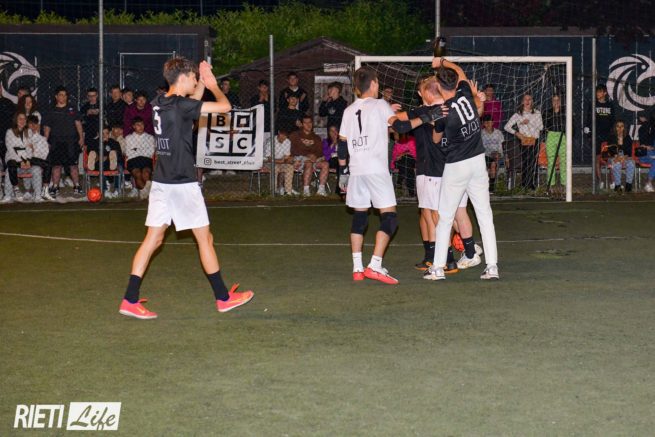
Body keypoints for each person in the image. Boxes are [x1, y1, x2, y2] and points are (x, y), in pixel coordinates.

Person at [118, 57, 253, 319]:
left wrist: (200, 80)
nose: (194, 82)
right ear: (182, 78)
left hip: (161, 182)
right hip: (182, 184)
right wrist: (212, 85)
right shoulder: (181, 105)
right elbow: (224, 107)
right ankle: (223, 298)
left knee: (153, 239)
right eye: (192, 78)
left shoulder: (159, 102)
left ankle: (130, 299)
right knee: (205, 239)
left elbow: (190, 105)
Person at [338, 67, 445, 285]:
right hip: (376, 170)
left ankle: (357, 268)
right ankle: (375, 265)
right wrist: (427, 116)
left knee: (359, 218)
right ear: (374, 84)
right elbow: (402, 127)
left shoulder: (349, 110)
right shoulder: (380, 105)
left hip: (356, 170)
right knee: (389, 218)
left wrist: (342, 173)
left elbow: (341, 145)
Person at [425, 57, 499, 281]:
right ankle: (492, 267)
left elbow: (436, 139)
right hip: (477, 161)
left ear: (439, 87)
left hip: (457, 165)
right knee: (484, 214)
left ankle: (438, 268)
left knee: (446, 217)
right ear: (457, 83)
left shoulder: (443, 112)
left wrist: (433, 122)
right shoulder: (466, 93)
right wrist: (443, 61)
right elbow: (460, 72)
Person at [42, 86, 84, 197]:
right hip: (56, 141)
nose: (63, 97)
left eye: (65, 95)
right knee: (56, 165)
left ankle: (77, 186)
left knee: (73, 165)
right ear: (56, 96)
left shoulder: (72, 108)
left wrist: (81, 137)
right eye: (61, 95)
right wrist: (45, 141)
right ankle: (55, 187)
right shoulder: (51, 110)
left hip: (71, 141)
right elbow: (47, 127)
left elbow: (78, 123)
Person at [504, 93, 543, 190]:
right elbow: (506, 127)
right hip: (524, 140)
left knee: (533, 162)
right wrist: (517, 133)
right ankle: (524, 184)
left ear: (532, 101)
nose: (527, 101)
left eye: (529, 99)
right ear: (522, 102)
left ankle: (532, 184)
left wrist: (529, 122)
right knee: (525, 162)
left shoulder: (537, 113)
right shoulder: (518, 114)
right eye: (525, 99)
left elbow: (541, 127)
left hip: (534, 140)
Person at [1, 113, 43, 203]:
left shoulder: (29, 132)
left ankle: (38, 195)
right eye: (20, 118)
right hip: (14, 161)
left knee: (37, 169)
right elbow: (11, 149)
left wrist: (27, 160)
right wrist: (22, 160)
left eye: (24, 119)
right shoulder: (9, 132)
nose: (22, 121)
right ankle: (8, 195)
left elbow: (30, 149)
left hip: (27, 162)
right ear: (16, 120)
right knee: (9, 170)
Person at [290, 115, 329, 196]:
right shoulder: (295, 135)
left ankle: (321, 189)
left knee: (325, 164)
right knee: (308, 163)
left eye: (310, 122)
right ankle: (306, 190)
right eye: (305, 123)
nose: (308, 125)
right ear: (301, 124)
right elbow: (292, 149)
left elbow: (320, 151)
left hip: (313, 159)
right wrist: (307, 155)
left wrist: (315, 156)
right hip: (299, 159)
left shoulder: (316, 137)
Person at [124, 117, 155, 199]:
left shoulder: (150, 137)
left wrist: (136, 149)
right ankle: (148, 193)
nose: (140, 127)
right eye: (138, 125)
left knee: (146, 173)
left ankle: (144, 193)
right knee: (137, 174)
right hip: (133, 159)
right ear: (134, 126)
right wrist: (142, 149)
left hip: (146, 159)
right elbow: (128, 152)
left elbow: (151, 151)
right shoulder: (128, 138)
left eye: (142, 124)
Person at [594, 84, 617, 188]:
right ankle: (600, 182)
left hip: (608, 136)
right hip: (597, 135)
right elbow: (589, 119)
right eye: (597, 92)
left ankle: (613, 181)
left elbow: (613, 120)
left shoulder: (610, 105)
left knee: (611, 158)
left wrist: (612, 134)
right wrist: (588, 131)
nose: (597, 94)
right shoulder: (593, 104)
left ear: (605, 93)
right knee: (597, 158)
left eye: (599, 92)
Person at [543, 94, 566, 191]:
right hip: (551, 135)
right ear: (551, 102)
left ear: (560, 102)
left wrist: (568, 135)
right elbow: (543, 126)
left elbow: (572, 125)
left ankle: (564, 184)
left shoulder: (565, 112)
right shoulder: (547, 112)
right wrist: (546, 131)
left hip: (562, 135)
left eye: (558, 100)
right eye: (554, 100)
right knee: (551, 161)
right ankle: (550, 184)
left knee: (564, 160)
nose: (556, 102)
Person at [26, 115, 53, 201]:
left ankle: (45, 190)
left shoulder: (41, 138)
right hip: (24, 159)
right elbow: (25, 149)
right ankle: (45, 190)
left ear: (38, 124)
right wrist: (32, 149)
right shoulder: (25, 134)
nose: (33, 126)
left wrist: (33, 149)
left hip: (34, 159)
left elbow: (43, 154)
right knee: (48, 164)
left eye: (35, 123)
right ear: (27, 124)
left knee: (48, 163)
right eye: (30, 123)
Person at [263, 130, 296, 195]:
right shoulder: (270, 141)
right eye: (282, 134)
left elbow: (286, 157)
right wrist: (280, 161)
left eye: (285, 135)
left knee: (290, 167)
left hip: (281, 162)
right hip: (268, 162)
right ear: (279, 132)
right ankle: (273, 191)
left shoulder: (287, 141)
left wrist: (286, 160)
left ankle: (288, 192)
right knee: (275, 168)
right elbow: (269, 158)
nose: (283, 137)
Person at [607, 120, 635, 192]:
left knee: (631, 163)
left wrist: (623, 157)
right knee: (617, 164)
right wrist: (617, 157)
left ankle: (628, 185)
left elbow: (629, 152)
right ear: (615, 128)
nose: (620, 128)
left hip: (625, 156)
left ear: (624, 128)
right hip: (613, 157)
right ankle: (617, 185)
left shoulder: (628, 137)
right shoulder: (611, 137)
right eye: (618, 126)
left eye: (622, 126)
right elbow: (610, 150)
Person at [481, 113, 505, 192]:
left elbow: (502, 146)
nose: (488, 124)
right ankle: (487, 187)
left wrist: (500, 154)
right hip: (485, 155)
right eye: (486, 122)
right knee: (489, 166)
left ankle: (491, 188)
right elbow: (480, 148)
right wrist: (490, 153)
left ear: (493, 123)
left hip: (498, 154)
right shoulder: (481, 133)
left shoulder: (498, 133)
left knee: (494, 164)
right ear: (483, 124)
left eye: (489, 122)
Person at [0, 83, 17, 170]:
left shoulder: (8, 102)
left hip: (5, 136)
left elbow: (14, 120)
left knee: (7, 160)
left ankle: (7, 175)